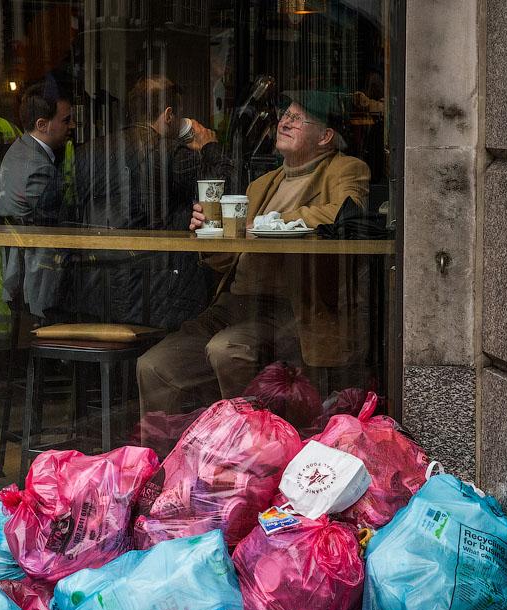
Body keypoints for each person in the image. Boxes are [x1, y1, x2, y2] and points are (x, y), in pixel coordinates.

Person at [136, 90, 371, 416]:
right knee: (154, 365)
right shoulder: (261, 184)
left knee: (226, 350)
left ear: (325, 136)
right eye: (285, 115)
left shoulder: (347, 170)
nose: (284, 122)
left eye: (297, 119)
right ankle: (161, 461)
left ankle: (249, 452)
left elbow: (344, 214)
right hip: (233, 306)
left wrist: (268, 223)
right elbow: (228, 260)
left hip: (292, 308)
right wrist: (210, 233)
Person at [71, 75, 232, 330]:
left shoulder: (85, 153)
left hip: (94, 293)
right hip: (153, 295)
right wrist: (210, 146)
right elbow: (223, 190)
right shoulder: (169, 152)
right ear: (169, 115)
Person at [0, 79, 76, 319]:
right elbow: (57, 225)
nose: (72, 125)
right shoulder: (37, 166)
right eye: (65, 120)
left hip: (24, 272)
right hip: (38, 278)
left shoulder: (20, 149)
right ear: (42, 124)